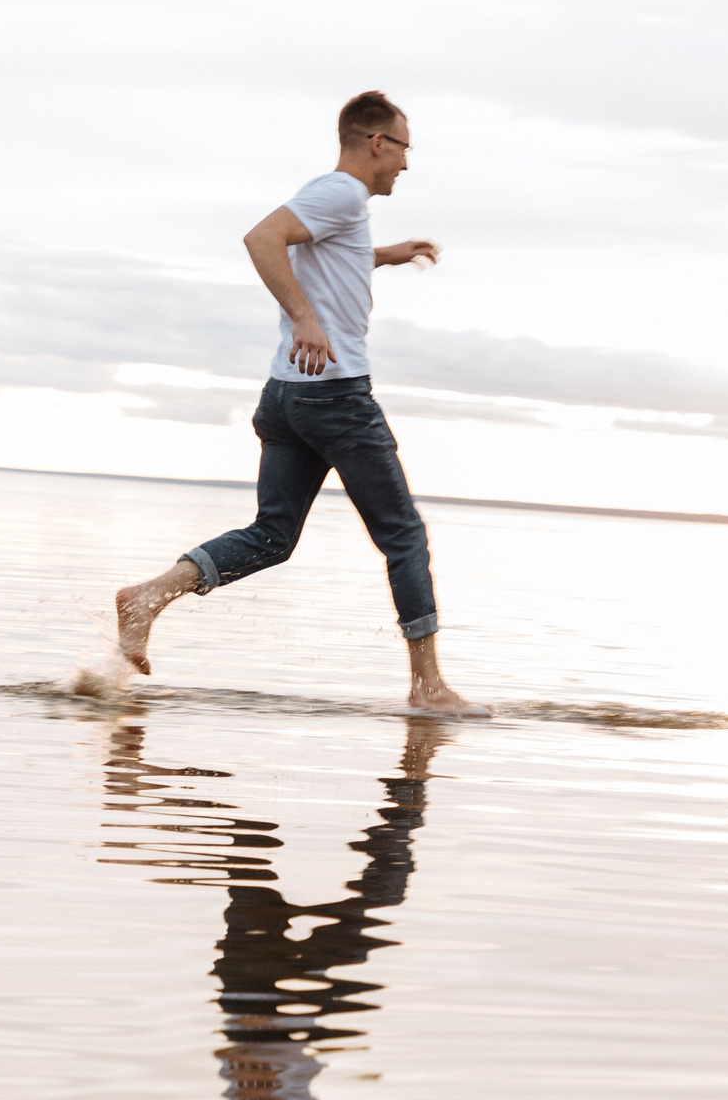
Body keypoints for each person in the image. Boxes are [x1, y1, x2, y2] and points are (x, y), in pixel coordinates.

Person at [114, 91, 482, 716]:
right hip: (337, 396)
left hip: (286, 397)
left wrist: (386, 255)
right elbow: (262, 238)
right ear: (375, 144)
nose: (406, 164)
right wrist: (306, 317)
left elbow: (327, 255)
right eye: (403, 149)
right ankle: (428, 687)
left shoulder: (338, 205)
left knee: (273, 535)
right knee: (404, 537)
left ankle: (148, 596)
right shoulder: (341, 192)